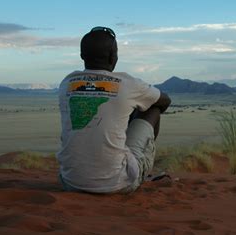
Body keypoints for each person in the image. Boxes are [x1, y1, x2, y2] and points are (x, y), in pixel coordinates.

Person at [57, 26, 171, 193]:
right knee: (152, 107)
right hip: (118, 184)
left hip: (69, 182)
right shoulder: (128, 83)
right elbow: (165, 100)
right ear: (113, 56)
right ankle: (142, 171)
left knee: (121, 110)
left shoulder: (67, 83)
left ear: (82, 55)